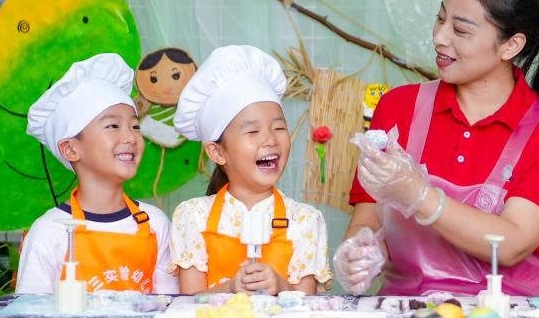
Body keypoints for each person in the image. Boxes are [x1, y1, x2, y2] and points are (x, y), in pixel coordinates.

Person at [335, 0, 539, 296]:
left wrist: (419, 196)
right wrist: (360, 252)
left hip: (513, 314)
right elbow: (369, 218)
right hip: (412, 311)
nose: (440, 37)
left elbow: (512, 243)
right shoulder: (398, 108)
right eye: (440, 18)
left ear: (511, 45)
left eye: (461, 30)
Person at [169, 45, 329, 295]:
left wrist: (281, 286)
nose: (270, 140)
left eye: (279, 128)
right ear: (217, 153)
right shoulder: (193, 216)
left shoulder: (304, 220)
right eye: (253, 131)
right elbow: (187, 302)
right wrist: (231, 287)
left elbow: (307, 302)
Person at [17, 53, 176, 294]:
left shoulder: (155, 223)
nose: (130, 137)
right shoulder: (48, 232)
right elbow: (29, 313)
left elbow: (171, 306)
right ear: (71, 149)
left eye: (135, 126)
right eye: (112, 126)